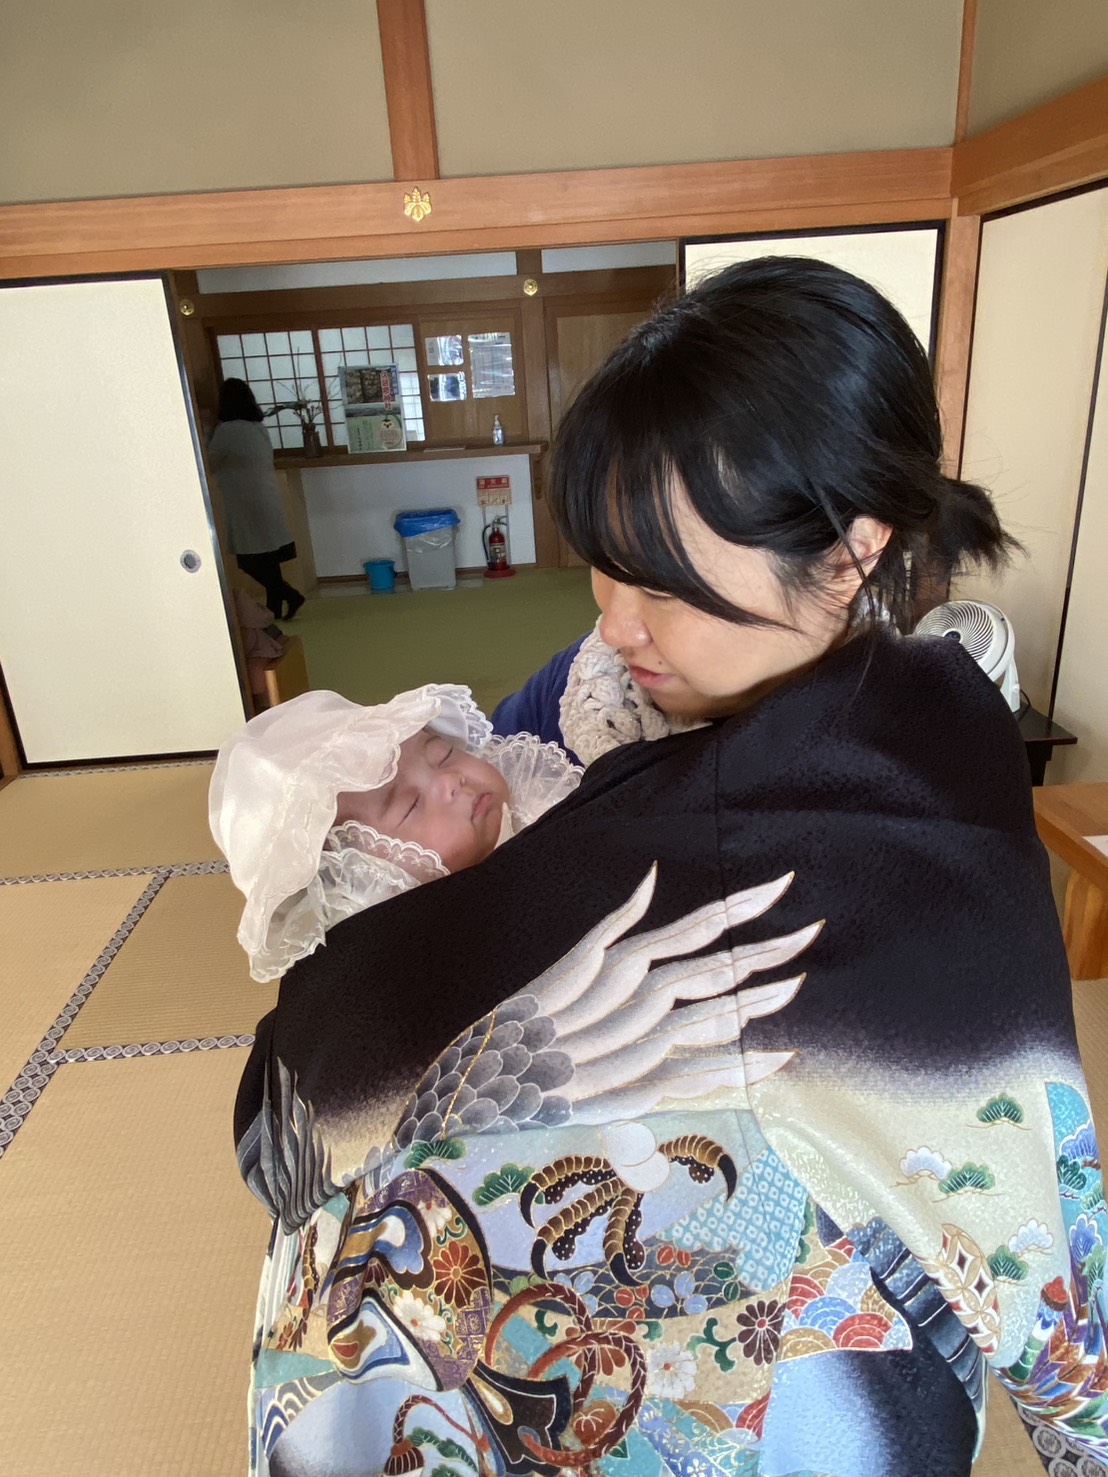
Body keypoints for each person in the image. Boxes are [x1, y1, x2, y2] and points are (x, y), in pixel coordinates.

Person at [233, 258, 1107, 1476]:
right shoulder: (597, 682)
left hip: (809, 1359)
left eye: (661, 580)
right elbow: (500, 876)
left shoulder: (913, 775)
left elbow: (1002, 1145)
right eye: (603, 560)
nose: (613, 619)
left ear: (850, 551)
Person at [209, 686, 580, 982]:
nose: (451, 781)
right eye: (410, 805)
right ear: (360, 878)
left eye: (443, 754)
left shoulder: (538, 799)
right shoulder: (408, 956)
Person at [208, 377, 305, 622]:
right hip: (266, 494)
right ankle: (274, 610)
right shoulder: (257, 427)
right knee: (268, 557)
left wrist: (206, 428)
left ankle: (290, 595)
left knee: (250, 560)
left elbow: (209, 462)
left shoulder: (227, 430)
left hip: (245, 500)